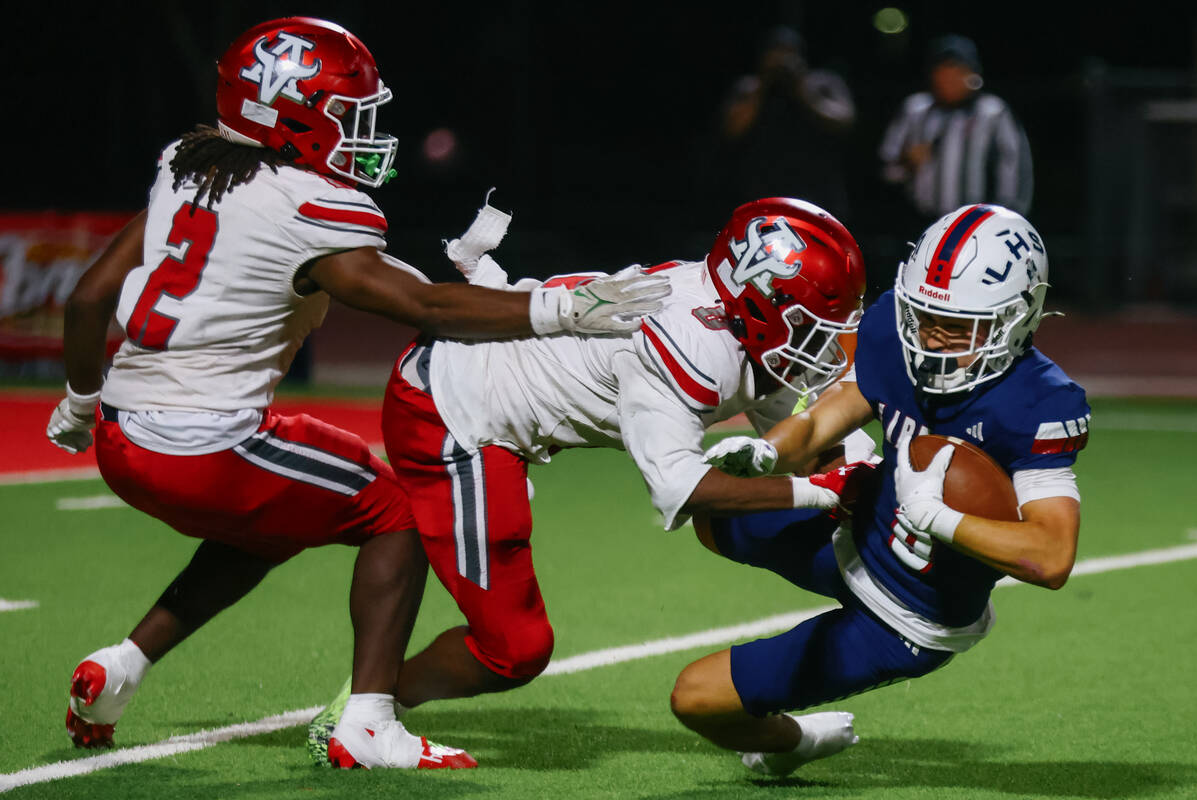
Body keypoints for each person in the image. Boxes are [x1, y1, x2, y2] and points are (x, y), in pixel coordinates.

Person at [44, 16, 668, 770]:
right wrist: (568, 309)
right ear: (288, 115)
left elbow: (85, 302)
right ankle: (367, 722)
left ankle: (122, 666)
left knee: (270, 524)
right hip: (202, 444)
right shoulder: (310, 204)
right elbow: (424, 310)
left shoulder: (192, 163)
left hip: (120, 435)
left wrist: (80, 405)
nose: (360, 130)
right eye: (346, 114)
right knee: (395, 508)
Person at [304, 195, 872, 766]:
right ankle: (366, 712)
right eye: (810, 324)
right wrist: (824, 491)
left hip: (496, 403)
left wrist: (871, 469)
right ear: (761, 300)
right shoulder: (692, 342)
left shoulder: (736, 320)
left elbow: (810, 442)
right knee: (514, 650)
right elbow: (684, 491)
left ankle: (367, 704)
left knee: (515, 642)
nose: (825, 346)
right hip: (451, 411)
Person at [672, 204, 1088, 778]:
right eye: (924, 317)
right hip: (860, 521)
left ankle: (792, 741)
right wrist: (773, 450)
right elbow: (830, 415)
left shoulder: (1041, 402)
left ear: (1018, 318)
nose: (933, 338)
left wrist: (934, 516)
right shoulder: (897, 328)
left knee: (695, 697)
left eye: (959, 326)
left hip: (907, 616)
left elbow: (1051, 556)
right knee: (712, 518)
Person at [879, 35, 1033, 225]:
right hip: (921, 222)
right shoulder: (915, 110)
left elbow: (1015, 170)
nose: (948, 78)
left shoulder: (993, 113)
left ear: (972, 73)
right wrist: (906, 162)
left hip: (978, 226)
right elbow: (886, 168)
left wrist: (1008, 221)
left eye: (957, 70)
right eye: (942, 70)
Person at [708, 26, 856, 222]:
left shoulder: (822, 83)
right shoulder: (750, 88)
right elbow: (731, 131)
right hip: (758, 200)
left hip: (819, 198)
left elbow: (843, 122)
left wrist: (800, 87)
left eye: (788, 54)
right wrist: (764, 84)